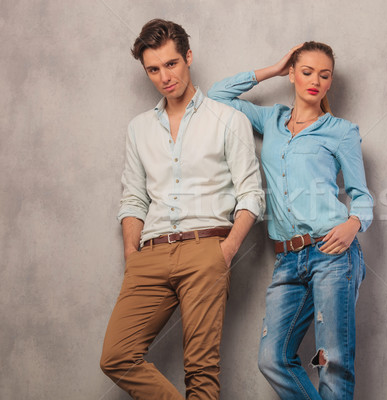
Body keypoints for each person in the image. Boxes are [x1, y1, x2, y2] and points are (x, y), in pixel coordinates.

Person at [99, 19, 265, 399]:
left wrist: (225, 251)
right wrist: (131, 254)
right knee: (117, 356)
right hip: (150, 254)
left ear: (188, 57)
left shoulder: (229, 120)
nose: (164, 77)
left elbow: (251, 194)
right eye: (153, 69)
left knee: (201, 372)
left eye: (171, 64)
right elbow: (134, 198)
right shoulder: (139, 128)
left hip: (206, 250)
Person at [208, 41, 373, 400]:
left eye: (324, 75)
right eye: (307, 71)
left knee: (332, 362)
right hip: (286, 260)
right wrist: (271, 68)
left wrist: (352, 225)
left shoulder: (341, 131)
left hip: (332, 254)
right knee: (273, 359)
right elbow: (216, 97)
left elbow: (362, 195)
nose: (315, 80)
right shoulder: (271, 120)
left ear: (330, 83)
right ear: (293, 74)